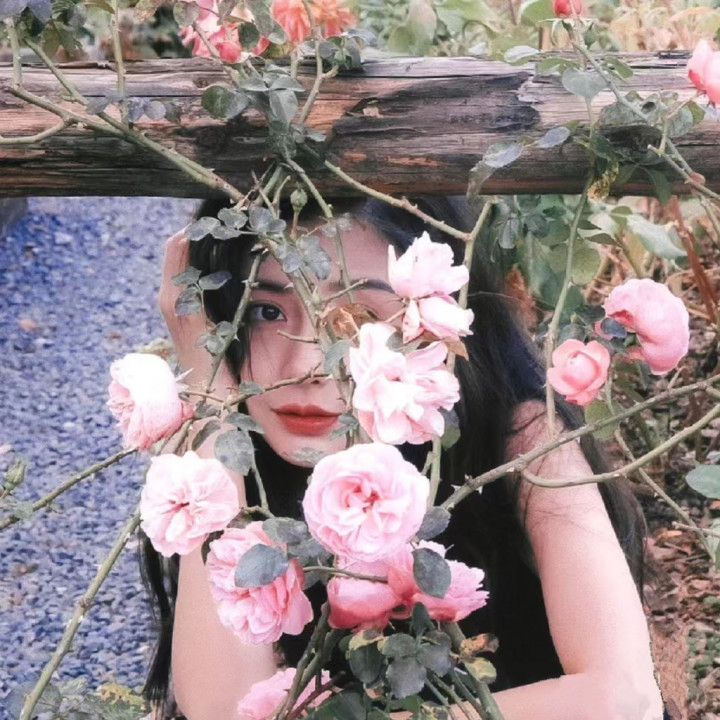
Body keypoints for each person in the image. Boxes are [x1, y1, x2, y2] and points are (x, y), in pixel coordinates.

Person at [142, 195, 667, 720]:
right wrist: (213, 409)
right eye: (266, 311)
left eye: (355, 317)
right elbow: (220, 708)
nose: (304, 363)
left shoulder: (523, 435)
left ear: (438, 320)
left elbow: (623, 696)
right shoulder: (243, 461)